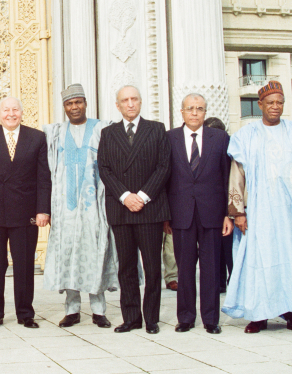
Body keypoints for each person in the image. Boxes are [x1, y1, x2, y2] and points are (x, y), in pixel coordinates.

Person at [223, 81, 292, 333]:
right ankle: (259, 315)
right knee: (261, 260)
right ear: (260, 104)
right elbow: (237, 176)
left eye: (280, 102)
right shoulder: (246, 136)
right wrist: (238, 211)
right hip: (260, 213)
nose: (276, 107)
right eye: (271, 102)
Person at [0, 97, 52, 329]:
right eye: (6, 110)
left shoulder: (36, 137)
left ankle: (25, 313)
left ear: (22, 113)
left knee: (25, 264)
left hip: (25, 212)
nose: (11, 114)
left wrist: (43, 209)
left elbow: (43, 177)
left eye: (15, 109)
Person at [42, 84, 118, 329]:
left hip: (94, 206)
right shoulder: (54, 132)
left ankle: (98, 310)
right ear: (64, 107)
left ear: (86, 103)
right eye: (69, 103)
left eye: (78, 102)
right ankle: (72, 309)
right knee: (69, 256)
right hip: (64, 208)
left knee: (95, 253)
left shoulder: (102, 129)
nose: (74, 107)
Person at [98, 85, 171, 334]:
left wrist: (141, 196)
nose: (130, 104)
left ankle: (151, 319)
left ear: (140, 102)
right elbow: (104, 169)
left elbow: (163, 167)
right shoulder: (108, 133)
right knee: (126, 267)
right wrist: (125, 196)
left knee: (152, 267)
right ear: (117, 105)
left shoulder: (157, 129)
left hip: (149, 209)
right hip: (121, 209)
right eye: (125, 100)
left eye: (134, 99)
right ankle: (131, 318)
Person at [165, 95, 232, 334]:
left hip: (212, 213)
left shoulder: (220, 138)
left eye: (200, 109)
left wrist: (227, 214)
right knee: (184, 269)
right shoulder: (169, 138)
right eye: (190, 109)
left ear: (205, 112)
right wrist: (165, 216)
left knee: (212, 268)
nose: (195, 113)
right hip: (180, 214)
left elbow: (227, 177)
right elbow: (164, 178)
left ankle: (211, 319)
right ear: (181, 111)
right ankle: (185, 317)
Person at [204, 116, 233, 293]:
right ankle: (219, 282)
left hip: (228, 208)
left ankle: (233, 280)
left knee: (229, 249)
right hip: (210, 208)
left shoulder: (229, 150)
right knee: (216, 249)